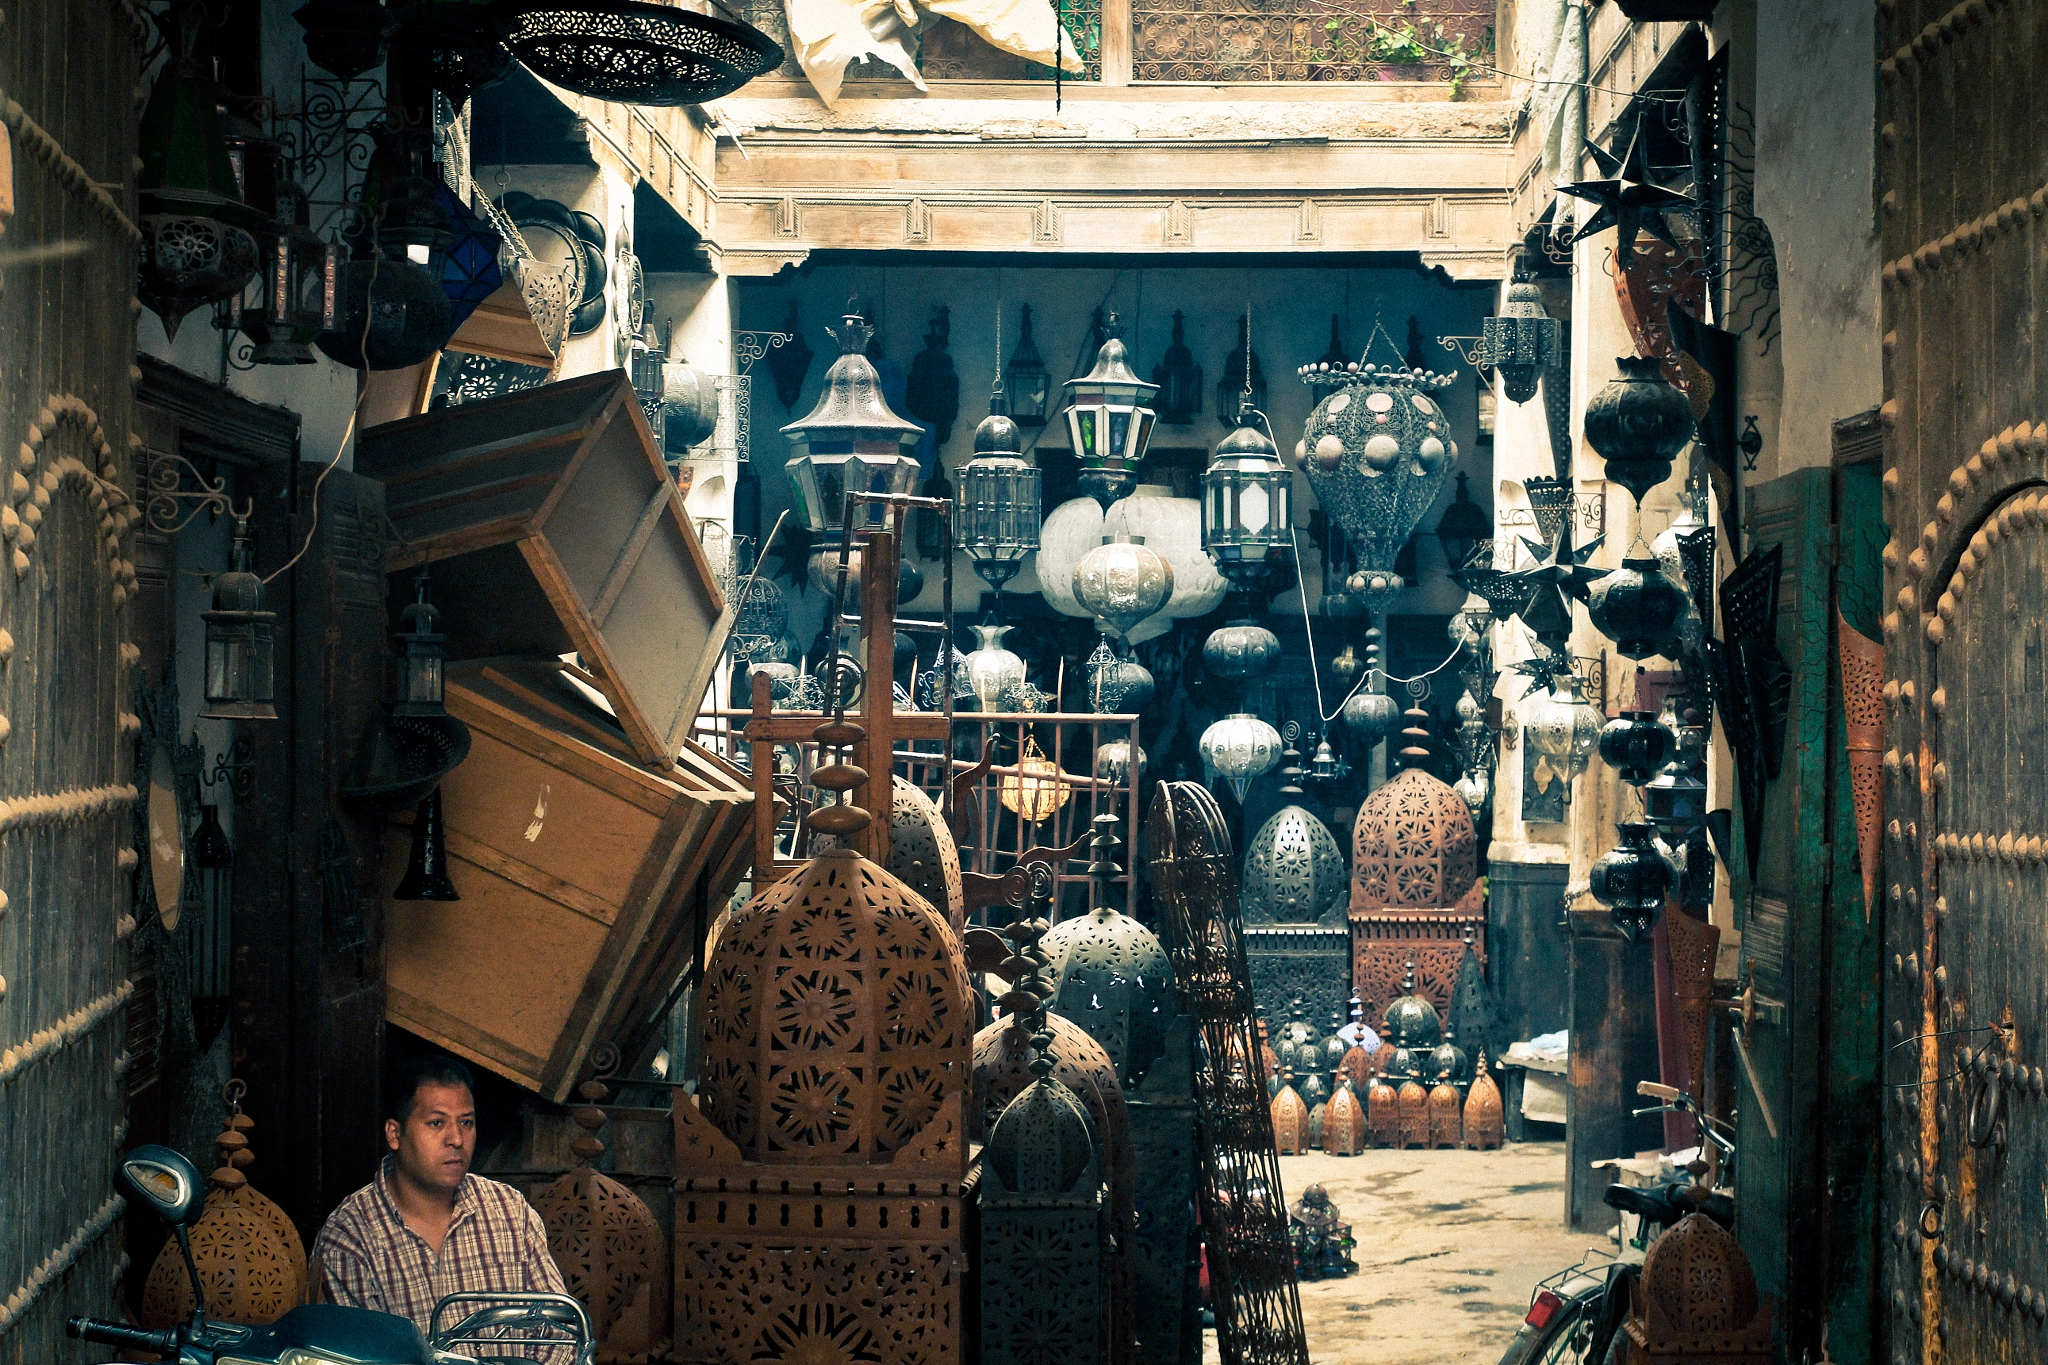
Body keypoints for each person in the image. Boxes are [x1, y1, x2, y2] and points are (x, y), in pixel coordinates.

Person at [312, 1055, 567, 1352]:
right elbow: (354, 1357)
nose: (456, 1139)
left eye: (466, 1123)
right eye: (436, 1123)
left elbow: (559, 1332)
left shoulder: (509, 1211)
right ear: (394, 1134)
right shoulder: (350, 1239)